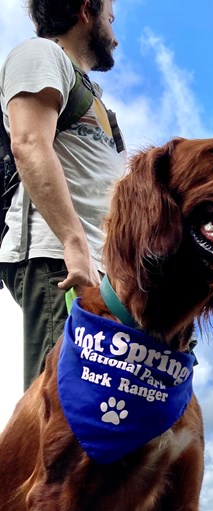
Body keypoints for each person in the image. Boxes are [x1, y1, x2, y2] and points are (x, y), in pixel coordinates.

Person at [0, 0, 124, 390]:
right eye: (111, 17)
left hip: (103, 269)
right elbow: (29, 142)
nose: (116, 36)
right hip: (61, 260)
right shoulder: (41, 54)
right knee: (59, 413)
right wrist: (74, 244)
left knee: (101, 416)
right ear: (86, 9)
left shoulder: (100, 102)